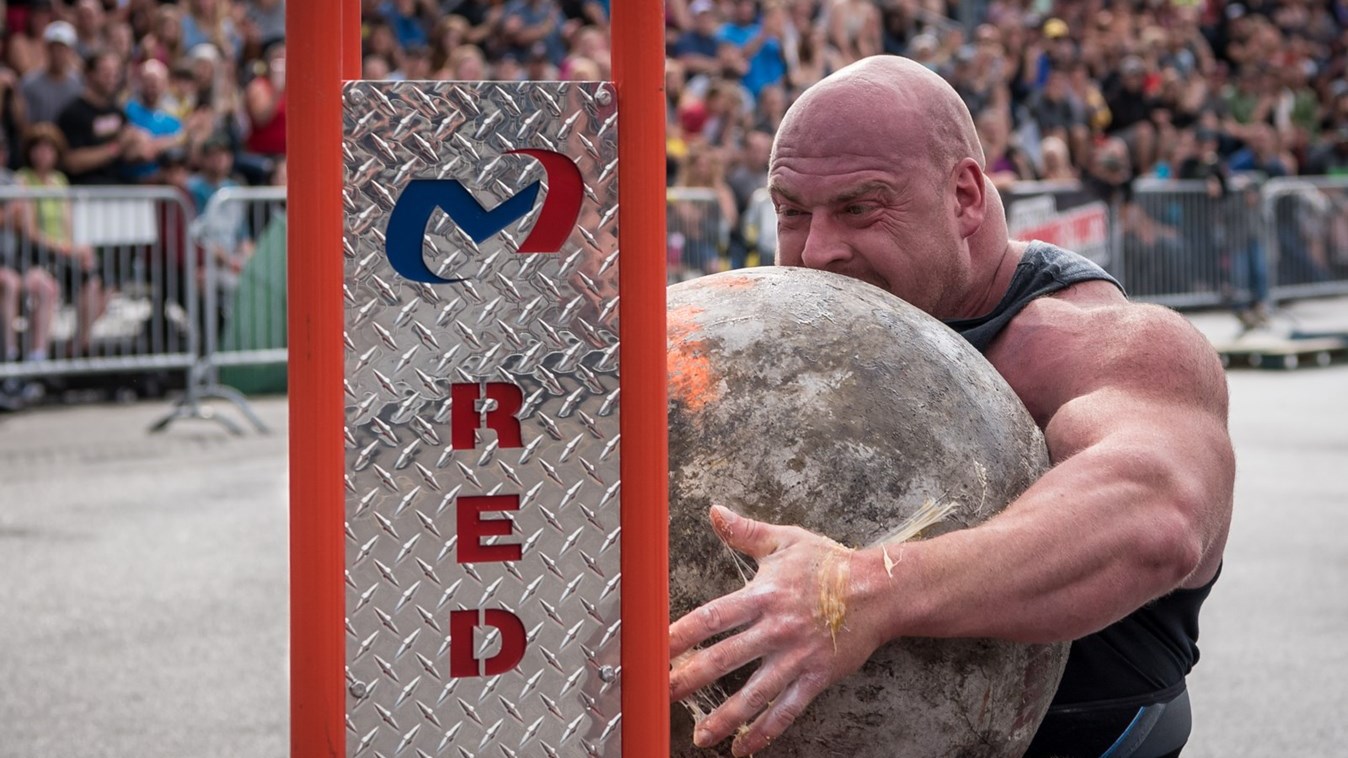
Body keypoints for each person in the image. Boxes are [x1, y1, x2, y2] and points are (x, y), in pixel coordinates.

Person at [670, 56, 1234, 758]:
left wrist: (859, 594)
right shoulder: (787, 335)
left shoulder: (1107, 345)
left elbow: (1155, 513)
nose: (816, 251)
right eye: (791, 212)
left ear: (965, 196)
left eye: (858, 208)